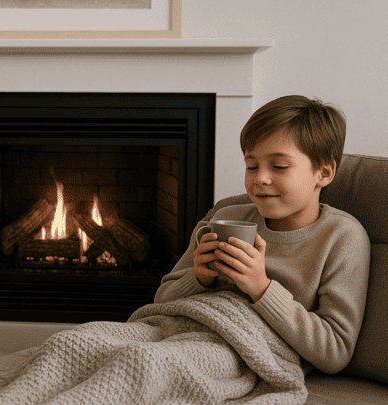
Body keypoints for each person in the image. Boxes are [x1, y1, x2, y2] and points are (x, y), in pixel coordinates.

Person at [155, 95, 370, 374]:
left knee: (149, 365)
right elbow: (161, 302)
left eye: (279, 166)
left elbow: (335, 351)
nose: (260, 179)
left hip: (244, 354)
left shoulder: (342, 237)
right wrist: (199, 278)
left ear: (324, 172)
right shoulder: (226, 216)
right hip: (181, 332)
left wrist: (261, 289)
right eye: (252, 165)